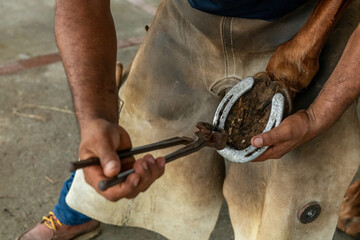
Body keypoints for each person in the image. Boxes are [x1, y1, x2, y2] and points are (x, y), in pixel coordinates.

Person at [18, 0, 360, 239]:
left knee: (289, 206)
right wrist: (96, 116)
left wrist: (320, 113)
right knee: (128, 135)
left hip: (308, 15)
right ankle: (75, 210)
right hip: (190, 20)